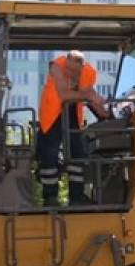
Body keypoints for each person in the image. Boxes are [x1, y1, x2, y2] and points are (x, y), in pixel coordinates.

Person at [37, 49, 109, 207]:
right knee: (49, 155)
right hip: (52, 114)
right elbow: (64, 94)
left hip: (72, 114)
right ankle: (50, 197)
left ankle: (77, 196)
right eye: (67, 68)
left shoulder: (89, 72)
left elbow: (89, 94)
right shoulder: (56, 66)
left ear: (82, 67)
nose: (68, 72)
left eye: (73, 71)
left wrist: (104, 112)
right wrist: (90, 97)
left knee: (78, 154)